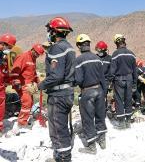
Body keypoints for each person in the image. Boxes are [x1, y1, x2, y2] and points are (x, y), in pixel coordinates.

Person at [38, 17, 75, 162]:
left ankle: (63, 158)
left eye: (49, 30)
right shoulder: (69, 47)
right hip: (67, 93)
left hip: (58, 95)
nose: (48, 33)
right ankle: (60, 155)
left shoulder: (56, 48)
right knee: (61, 127)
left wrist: (40, 85)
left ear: (54, 32)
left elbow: (56, 76)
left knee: (58, 129)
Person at [74, 34, 107, 154]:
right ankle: (102, 141)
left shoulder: (78, 60)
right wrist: (104, 92)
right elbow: (103, 78)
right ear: (89, 44)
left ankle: (92, 147)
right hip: (99, 90)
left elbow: (78, 79)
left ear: (79, 46)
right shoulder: (97, 58)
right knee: (100, 116)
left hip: (87, 92)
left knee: (87, 119)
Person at [10, 44, 45, 128]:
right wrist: (16, 83)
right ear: (32, 49)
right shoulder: (23, 57)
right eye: (36, 53)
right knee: (27, 102)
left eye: (38, 54)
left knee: (30, 102)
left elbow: (33, 72)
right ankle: (21, 123)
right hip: (22, 84)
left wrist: (38, 81)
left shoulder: (33, 59)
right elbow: (15, 71)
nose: (37, 55)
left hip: (29, 84)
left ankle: (24, 119)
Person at [110, 34, 137, 129]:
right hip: (129, 80)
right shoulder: (132, 54)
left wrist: (110, 82)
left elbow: (112, 71)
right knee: (128, 100)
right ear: (124, 42)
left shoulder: (115, 54)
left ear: (117, 43)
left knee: (119, 101)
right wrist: (135, 83)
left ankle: (121, 123)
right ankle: (128, 122)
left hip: (118, 80)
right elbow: (135, 70)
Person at [0, 33, 16, 136]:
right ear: (4, 44)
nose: (9, 49)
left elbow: (3, 71)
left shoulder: (2, 55)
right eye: (9, 47)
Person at [95, 41, 111, 108]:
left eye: (100, 50)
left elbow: (111, 71)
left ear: (104, 50)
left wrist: (110, 82)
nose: (98, 52)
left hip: (105, 81)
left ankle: (104, 112)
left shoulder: (109, 58)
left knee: (103, 98)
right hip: (96, 81)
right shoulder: (94, 57)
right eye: (97, 50)